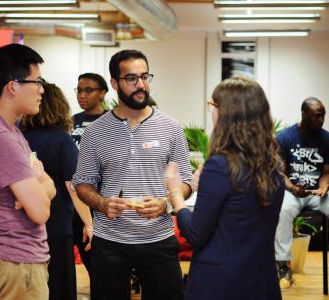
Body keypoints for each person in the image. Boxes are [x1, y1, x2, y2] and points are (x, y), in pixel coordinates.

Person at [72, 49, 193, 300]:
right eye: (131, 79)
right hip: (109, 242)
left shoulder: (172, 128)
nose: (141, 84)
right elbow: (82, 183)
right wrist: (102, 203)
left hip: (158, 239)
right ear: (115, 83)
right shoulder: (95, 132)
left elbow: (186, 182)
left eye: (145, 76)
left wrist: (167, 203)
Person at [166, 76, 285, 300]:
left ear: (224, 112)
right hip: (262, 280)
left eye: (212, 105)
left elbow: (195, 234)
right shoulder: (274, 165)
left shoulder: (221, 165)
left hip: (221, 283)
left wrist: (175, 192)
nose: (211, 112)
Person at [0, 43, 56, 300]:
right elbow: (40, 211)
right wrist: (38, 183)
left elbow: (50, 184)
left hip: (19, 262)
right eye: (37, 82)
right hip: (16, 262)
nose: (42, 90)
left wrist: (38, 185)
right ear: (13, 86)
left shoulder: (9, 131)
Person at [20, 81, 93, 300]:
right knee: (59, 287)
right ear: (59, 105)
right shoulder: (62, 140)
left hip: (24, 223)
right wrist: (89, 223)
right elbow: (73, 186)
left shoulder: (18, 136)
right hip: (57, 225)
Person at [274, 97, 329, 289]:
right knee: (283, 209)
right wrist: (294, 188)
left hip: (316, 193)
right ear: (304, 114)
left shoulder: (326, 138)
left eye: (323, 116)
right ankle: (284, 268)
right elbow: (280, 173)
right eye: (317, 116)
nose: (321, 121)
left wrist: (324, 186)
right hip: (294, 191)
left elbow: (326, 172)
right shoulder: (284, 137)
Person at [70, 73, 108, 285]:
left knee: (100, 265)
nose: (82, 95)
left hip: (98, 200)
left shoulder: (112, 121)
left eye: (88, 90)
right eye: (79, 90)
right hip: (72, 200)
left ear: (102, 93)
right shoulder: (71, 121)